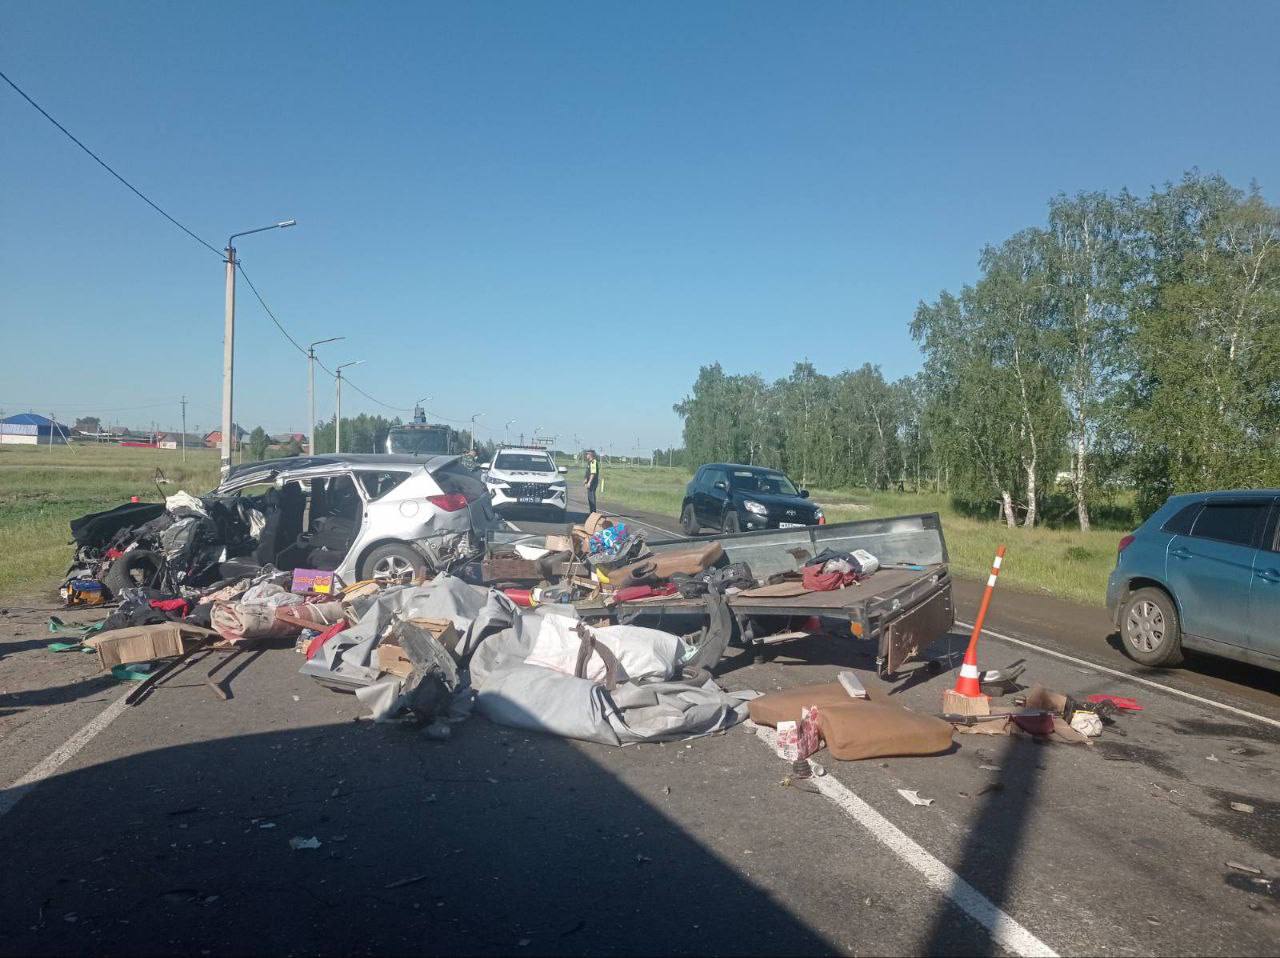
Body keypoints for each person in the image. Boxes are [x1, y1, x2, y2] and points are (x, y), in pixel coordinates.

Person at [583, 449, 601, 515]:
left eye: (587, 454)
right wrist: (585, 479)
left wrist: (589, 482)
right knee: (589, 498)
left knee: (591, 497)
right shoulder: (589, 462)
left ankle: (593, 513)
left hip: (593, 482)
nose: (586, 455)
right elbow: (588, 472)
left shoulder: (593, 462)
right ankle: (591, 512)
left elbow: (593, 473)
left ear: (590, 455)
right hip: (590, 482)